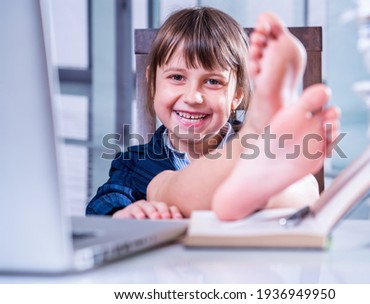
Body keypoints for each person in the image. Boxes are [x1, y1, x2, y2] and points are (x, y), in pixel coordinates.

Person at [86, 7, 340, 221]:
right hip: (175, 272)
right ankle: (251, 151)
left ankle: (253, 185)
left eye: (213, 82)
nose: (193, 96)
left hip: (248, 262)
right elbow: (100, 211)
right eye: (177, 77)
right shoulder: (136, 163)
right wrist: (124, 214)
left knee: (301, 185)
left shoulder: (273, 151)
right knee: (161, 186)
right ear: (152, 82)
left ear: (237, 95)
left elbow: (309, 197)